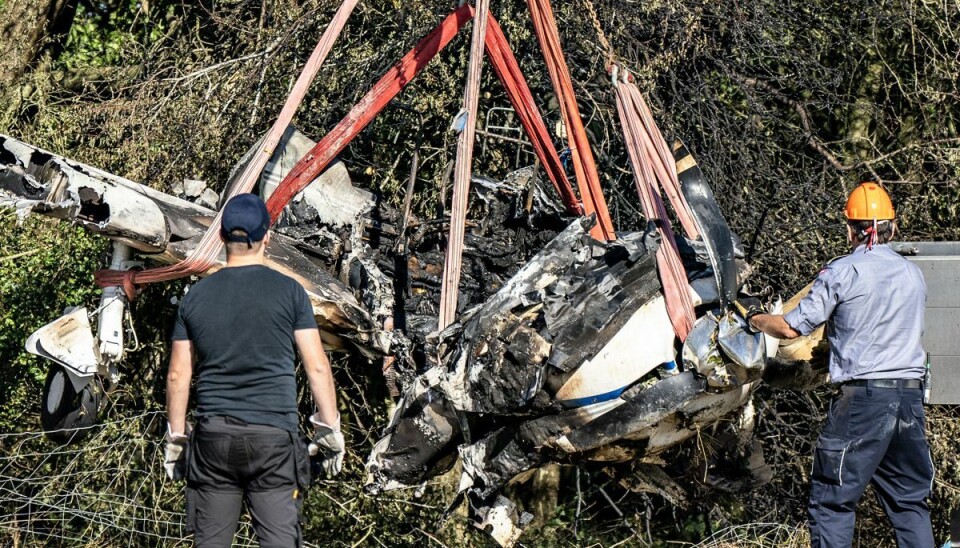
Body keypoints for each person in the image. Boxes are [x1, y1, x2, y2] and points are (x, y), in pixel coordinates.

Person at [740, 182, 934, 547]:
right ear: (893, 227)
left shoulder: (842, 272)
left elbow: (790, 327)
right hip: (909, 401)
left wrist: (754, 317)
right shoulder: (913, 274)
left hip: (863, 402)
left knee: (833, 501)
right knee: (909, 504)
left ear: (851, 229)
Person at [163, 193, 345, 547]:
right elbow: (317, 367)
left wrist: (176, 437)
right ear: (268, 237)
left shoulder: (195, 297)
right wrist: (329, 427)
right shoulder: (291, 293)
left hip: (213, 440)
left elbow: (177, 376)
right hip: (273, 441)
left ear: (220, 237)